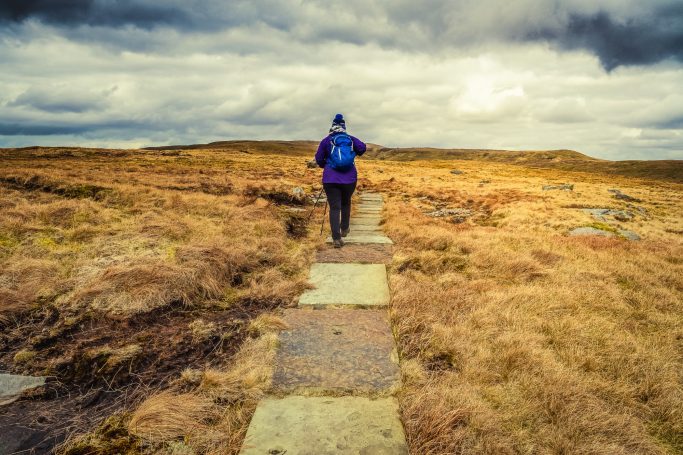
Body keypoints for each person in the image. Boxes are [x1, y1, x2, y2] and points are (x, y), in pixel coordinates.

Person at [315, 114, 367, 248]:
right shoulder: (350, 139)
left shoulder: (327, 141)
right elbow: (362, 148)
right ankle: (344, 228)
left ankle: (336, 239)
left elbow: (319, 159)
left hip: (330, 179)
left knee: (334, 207)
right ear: (344, 127)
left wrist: (326, 165)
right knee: (346, 203)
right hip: (349, 178)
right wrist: (352, 153)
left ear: (332, 126)